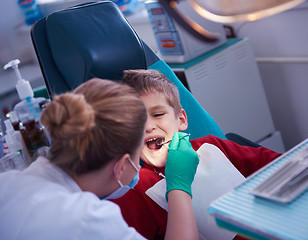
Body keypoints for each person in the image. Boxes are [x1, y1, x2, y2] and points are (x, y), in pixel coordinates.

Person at [0, 78, 199, 240]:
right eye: (138, 157)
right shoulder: (90, 221)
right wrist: (179, 186)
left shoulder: (7, 184)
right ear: (121, 166)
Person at [111, 69, 282, 240]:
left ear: (181, 119)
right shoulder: (134, 190)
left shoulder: (212, 146)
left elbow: (283, 168)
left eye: (158, 114)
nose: (148, 126)